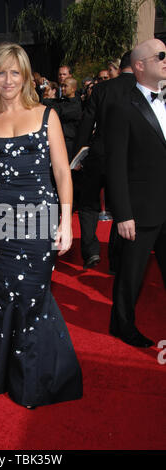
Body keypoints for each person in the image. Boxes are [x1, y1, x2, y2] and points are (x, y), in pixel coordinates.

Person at [0, 43, 82, 409]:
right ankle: (4, 371)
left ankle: (34, 380)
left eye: (14, 72)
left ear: (25, 76)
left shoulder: (46, 115)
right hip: (2, 218)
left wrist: (66, 221)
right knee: (5, 296)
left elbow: (63, 172)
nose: (7, 80)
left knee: (33, 297)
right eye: (0, 72)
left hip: (40, 218)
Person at [105, 38, 166, 348]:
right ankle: (122, 325)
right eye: (161, 56)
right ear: (140, 65)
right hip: (141, 210)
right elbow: (115, 165)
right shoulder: (122, 107)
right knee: (131, 276)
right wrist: (123, 213)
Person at [73, 51, 136, 270]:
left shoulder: (101, 89)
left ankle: (90, 251)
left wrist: (78, 154)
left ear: (120, 67)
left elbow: (86, 123)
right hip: (128, 156)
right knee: (122, 206)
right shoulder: (140, 89)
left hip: (98, 154)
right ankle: (115, 260)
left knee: (88, 204)